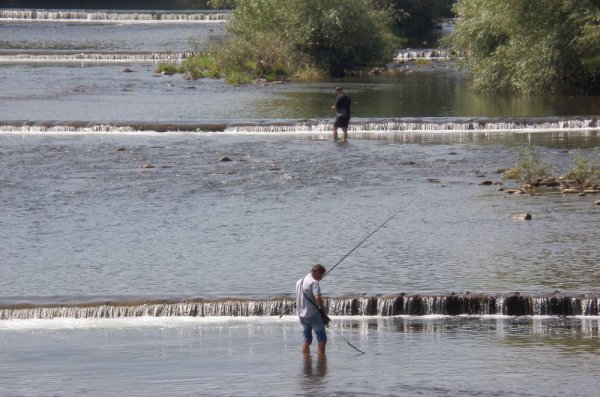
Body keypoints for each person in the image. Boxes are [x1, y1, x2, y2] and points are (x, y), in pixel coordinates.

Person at [296, 264, 328, 355]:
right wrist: (322, 308)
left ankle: (306, 359)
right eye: (322, 275)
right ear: (317, 272)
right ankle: (321, 359)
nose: (321, 277)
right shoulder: (314, 283)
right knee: (322, 339)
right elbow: (317, 297)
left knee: (307, 339)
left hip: (302, 315)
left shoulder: (299, 281)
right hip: (313, 314)